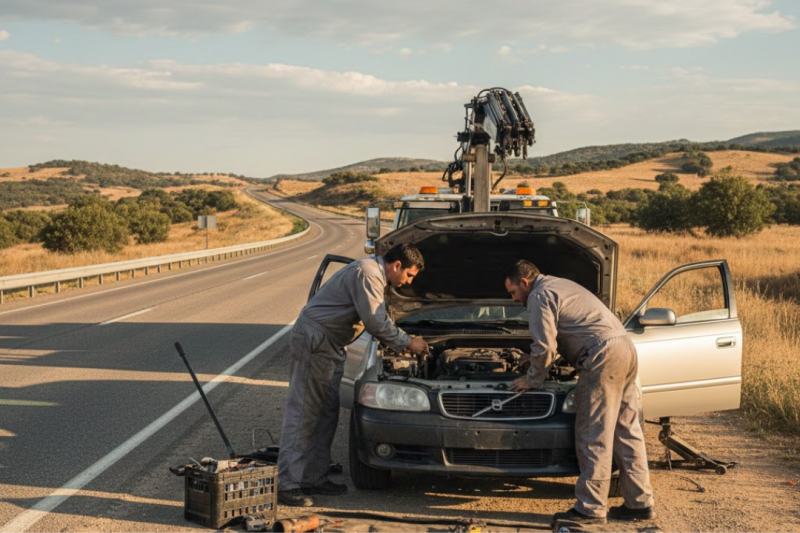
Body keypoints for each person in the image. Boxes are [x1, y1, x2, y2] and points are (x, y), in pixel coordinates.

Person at [278, 243, 429, 507]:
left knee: (326, 413)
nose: (408, 282)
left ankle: (313, 477)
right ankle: (287, 483)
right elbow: (375, 322)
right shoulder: (369, 273)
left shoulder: (374, 273)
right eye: (409, 275)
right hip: (317, 340)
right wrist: (408, 342)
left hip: (331, 343)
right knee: (304, 412)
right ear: (396, 266)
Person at [504, 259, 654, 525]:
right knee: (627, 430)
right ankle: (639, 503)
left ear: (524, 283)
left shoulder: (539, 295)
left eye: (513, 292)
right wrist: (536, 358)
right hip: (624, 349)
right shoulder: (559, 285)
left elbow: (545, 346)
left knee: (592, 432)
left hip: (601, 356)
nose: (514, 299)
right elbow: (572, 330)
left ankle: (590, 508)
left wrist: (532, 379)